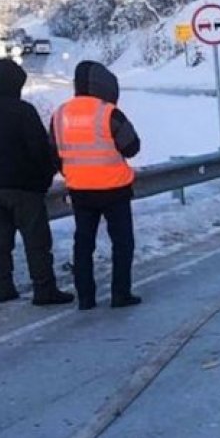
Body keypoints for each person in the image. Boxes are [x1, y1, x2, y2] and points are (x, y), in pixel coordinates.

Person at [0, 59, 74, 306]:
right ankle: (44, 289)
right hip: (25, 187)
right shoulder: (23, 111)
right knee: (36, 242)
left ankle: (2, 287)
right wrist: (45, 176)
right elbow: (40, 149)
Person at [50, 61, 141, 309]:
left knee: (83, 244)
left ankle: (86, 298)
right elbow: (132, 146)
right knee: (122, 243)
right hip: (114, 189)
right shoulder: (109, 113)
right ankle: (120, 294)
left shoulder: (60, 115)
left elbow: (54, 153)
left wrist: (72, 172)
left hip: (80, 191)